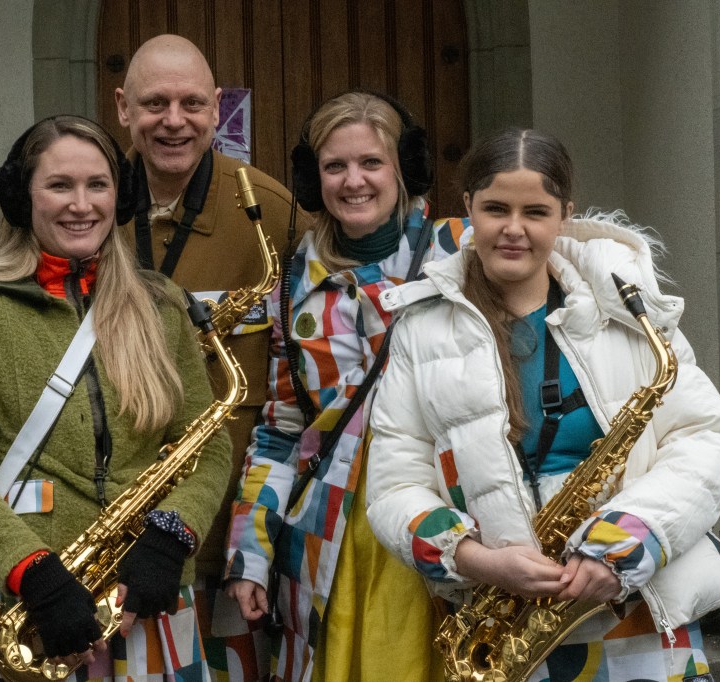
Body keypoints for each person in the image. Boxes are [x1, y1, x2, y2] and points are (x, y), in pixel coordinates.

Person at [365, 128, 720, 681]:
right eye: (495, 209)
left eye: (535, 212)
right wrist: (475, 559)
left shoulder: (629, 312)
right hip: (501, 626)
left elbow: (704, 439)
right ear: (468, 207)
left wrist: (624, 543)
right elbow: (394, 485)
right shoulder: (420, 330)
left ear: (566, 215)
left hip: (636, 611)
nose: (513, 229)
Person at [0, 114, 231, 681]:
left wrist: (174, 534)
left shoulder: (161, 306)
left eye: (98, 185)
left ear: (120, 196)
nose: (81, 205)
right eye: (59, 185)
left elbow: (207, 446)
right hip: (33, 612)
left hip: (146, 602)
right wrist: (32, 572)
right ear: (23, 198)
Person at [223, 90, 473, 682]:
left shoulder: (465, 252)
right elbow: (282, 432)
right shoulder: (291, 288)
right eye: (335, 166)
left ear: (404, 169)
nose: (353, 181)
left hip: (450, 531)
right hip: (330, 545)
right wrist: (248, 552)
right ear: (313, 179)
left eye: (371, 162)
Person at [114, 37, 308, 678]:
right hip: (116, 528)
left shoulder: (272, 213)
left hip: (230, 540)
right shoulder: (89, 205)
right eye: (154, 103)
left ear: (218, 107)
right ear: (122, 108)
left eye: (192, 103)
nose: (174, 121)